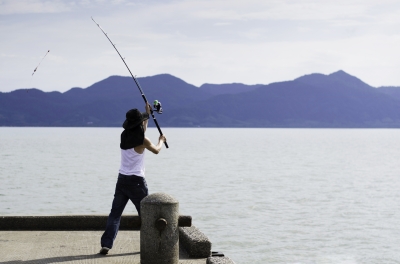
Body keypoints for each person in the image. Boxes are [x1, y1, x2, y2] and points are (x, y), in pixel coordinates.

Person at [99, 103, 167, 255]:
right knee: (147, 214)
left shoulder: (124, 136)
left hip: (122, 179)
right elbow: (156, 150)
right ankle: (152, 244)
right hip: (137, 182)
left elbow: (140, 131)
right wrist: (161, 140)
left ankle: (106, 244)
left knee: (115, 215)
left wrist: (147, 115)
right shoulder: (143, 140)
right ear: (140, 123)